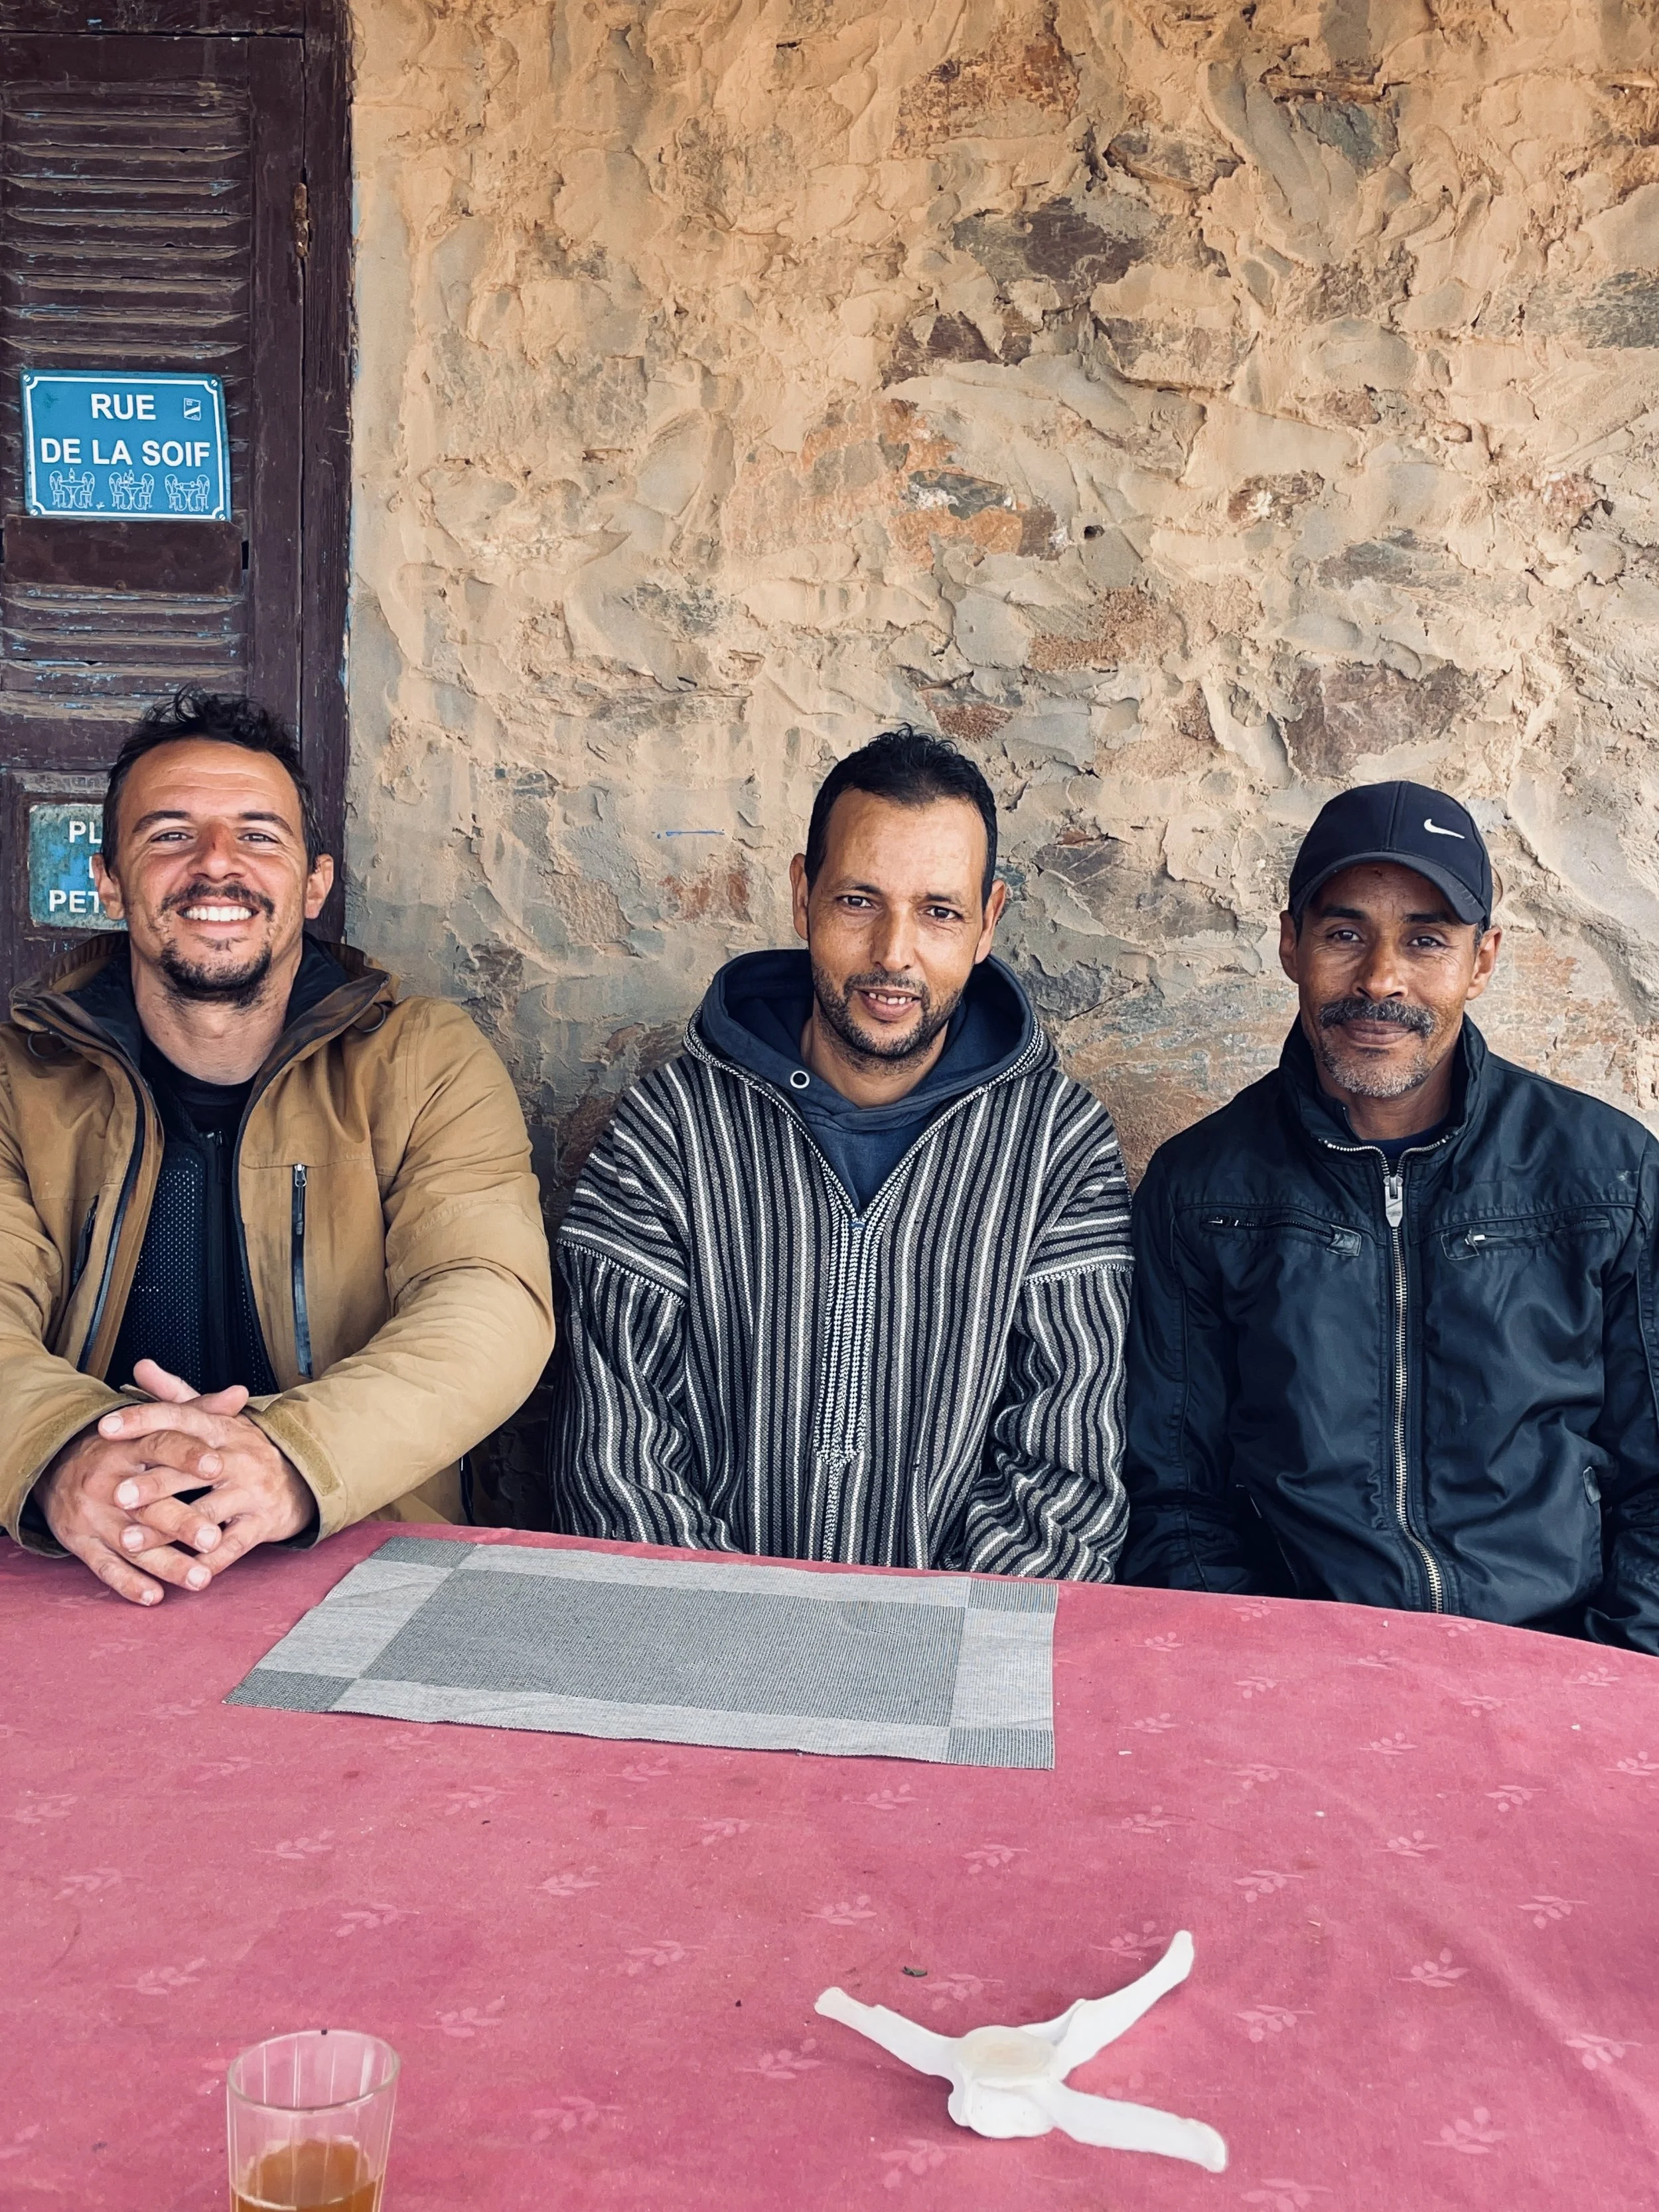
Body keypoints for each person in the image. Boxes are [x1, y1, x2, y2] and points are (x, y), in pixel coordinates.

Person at [1, 689, 554, 1605]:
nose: (217, 863)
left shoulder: (424, 1060)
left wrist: (291, 1456)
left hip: (364, 1560)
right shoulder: (19, 1076)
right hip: (87, 1564)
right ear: (108, 880)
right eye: (171, 834)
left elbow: (489, 1300)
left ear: (314, 884)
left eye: (258, 835)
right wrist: (65, 1455)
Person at [549, 726, 1132, 1577]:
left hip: (950, 1643)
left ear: (987, 924)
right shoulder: (670, 1129)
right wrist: (733, 1636)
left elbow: (1065, 1481)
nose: (893, 953)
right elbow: (616, 1460)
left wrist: (927, 1641)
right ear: (802, 895)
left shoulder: (1054, 1148)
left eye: (939, 912)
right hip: (701, 1638)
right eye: (859, 901)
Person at [1122, 778, 1659, 1648]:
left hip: (1553, 1657)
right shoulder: (1202, 1190)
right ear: (1291, 944)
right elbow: (1173, 1498)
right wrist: (1260, 1670)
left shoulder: (1609, 1176)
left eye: (1425, 940)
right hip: (1300, 1664)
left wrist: (1608, 1676)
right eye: (1345, 934)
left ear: (1482, 960)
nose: (1379, 979)